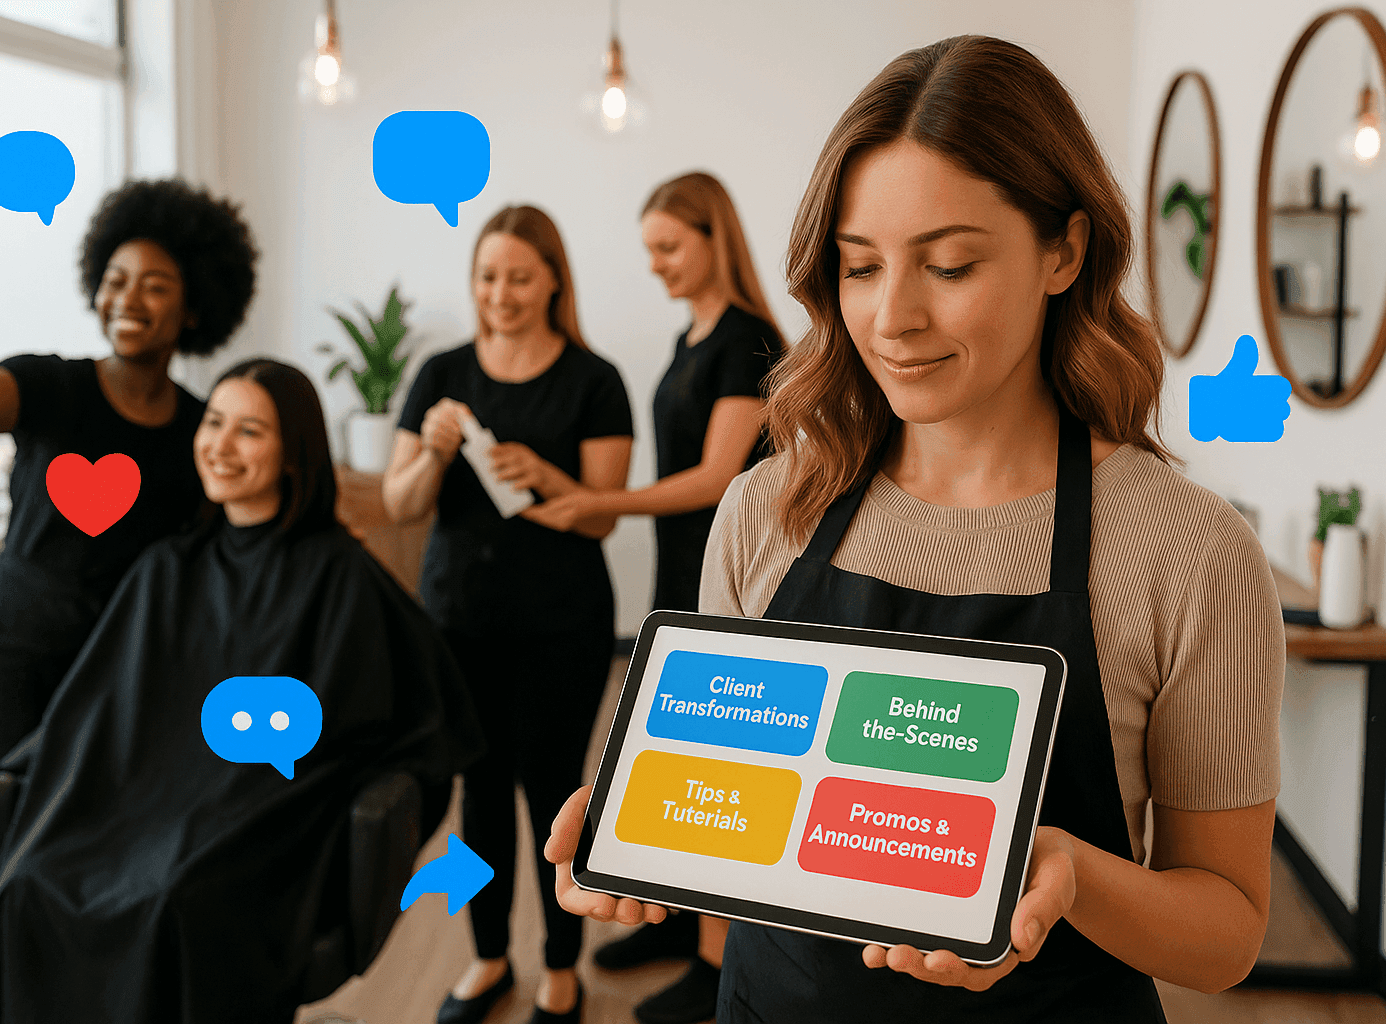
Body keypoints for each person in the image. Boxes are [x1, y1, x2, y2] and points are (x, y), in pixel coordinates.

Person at [547, 34, 1284, 1024]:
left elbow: (1229, 932)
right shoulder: (766, 509)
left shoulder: (1188, 554)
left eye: (948, 264)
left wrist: (1075, 873)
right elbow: (735, 808)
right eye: (859, 267)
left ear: (1064, 251)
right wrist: (640, 831)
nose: (891, 315)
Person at [0, 358, 485, 1024]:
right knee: (28, 883)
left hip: (261, 821)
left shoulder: (339, 575)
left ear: (293, 453)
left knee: (176, 898)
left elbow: (386, 724)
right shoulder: (167, 567)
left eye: (250, 431)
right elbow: (103, 712)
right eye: (215, 423)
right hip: (140, 808)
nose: (221, 446)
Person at [0, 178, 258, 825]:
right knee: (8, 824)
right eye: (115, 278)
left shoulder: (201, 430)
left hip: (122, 662)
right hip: (18, 647)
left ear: (194, 308)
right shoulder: (50, 384)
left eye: (155, 284)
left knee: (98, 831)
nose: (127, 298)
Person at [525, 172, 782, 1024]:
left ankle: (718, 963)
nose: (658, 266)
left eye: (670, 247)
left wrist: (600, 502)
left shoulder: (746, 338)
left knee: (719, 769)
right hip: (684, 570)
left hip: (730, 575)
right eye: (650, 252)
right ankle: (681, 929)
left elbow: (716, 479)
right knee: (678, 756)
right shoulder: (690, 338)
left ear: (716, 238)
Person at [384, 205, 634, 1024]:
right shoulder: (440, 375)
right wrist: (431, 451)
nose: (501, 293)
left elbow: (600, 515)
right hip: (458, 619)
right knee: (476, 795)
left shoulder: (594, 381)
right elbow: (399, 501)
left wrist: (547, 476)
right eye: (488, 277)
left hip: (561, 624)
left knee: (553, 792)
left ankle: (563, 966)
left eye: (520, 277)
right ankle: (489, 958)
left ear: (553, 280)